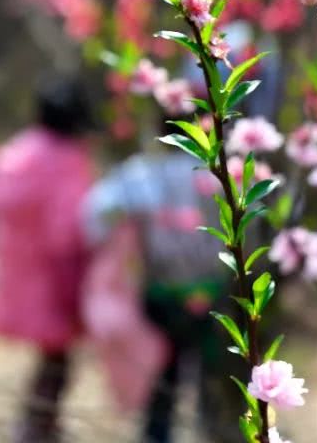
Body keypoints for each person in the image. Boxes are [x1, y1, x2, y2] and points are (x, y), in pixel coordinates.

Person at [83, 118, 243, 443]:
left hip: (161, 294)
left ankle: (157, 435)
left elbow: (94, 216)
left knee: (162, 381)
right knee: (209, 380)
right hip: (211, 293)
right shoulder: (221, 175)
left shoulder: (142, 173)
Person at [0, 77, 96, 443]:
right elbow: (67, 235)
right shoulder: (67, 162)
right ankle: (37, 428)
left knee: (51, 359)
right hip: (54, 280)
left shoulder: (13, 155)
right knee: (57, 361)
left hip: (19, 275)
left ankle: (38, 425)